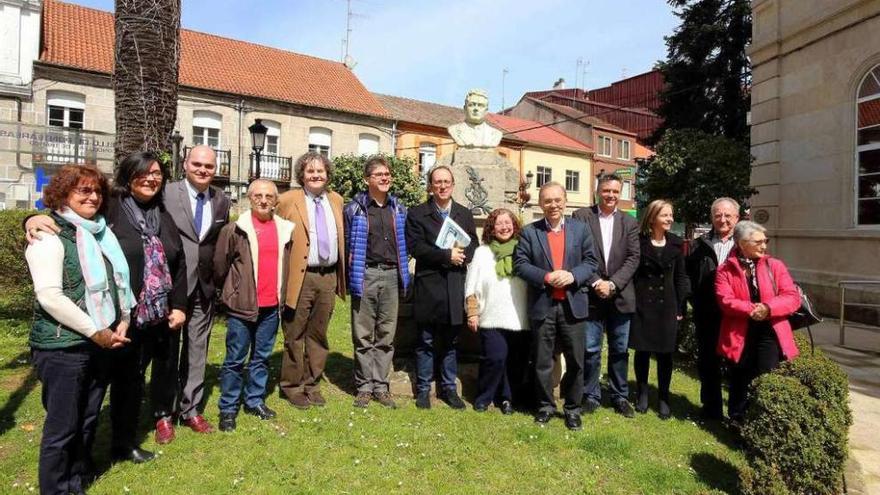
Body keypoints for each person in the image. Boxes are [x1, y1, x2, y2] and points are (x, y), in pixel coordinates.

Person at [26, 152, 187, 462]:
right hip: (118, 317)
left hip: (156, 316)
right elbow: (65, 218)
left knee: (132, 384)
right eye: (143, 172)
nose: (151, 178)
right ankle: (81, 454)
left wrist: (178, 305)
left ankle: (124, 443)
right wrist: (31, 218)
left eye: (157, 173)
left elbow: (177, 263)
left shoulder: (163, 214)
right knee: (107, 385)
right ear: (128, 176)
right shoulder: (109, 207)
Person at [26, 165, 133, 494]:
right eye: (83, 191)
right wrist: (95, 331)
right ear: (63, 194)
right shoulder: (48, 234)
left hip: (100, 340)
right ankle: (56, 487)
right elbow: (49, 296)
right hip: (64, 346)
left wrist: (123, 319)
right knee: (62, 426)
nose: (93, 196)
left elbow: (118, 281)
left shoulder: (100, 232)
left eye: (97, 191)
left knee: (87, 416)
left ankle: (77, 478)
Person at [514, 182, 597, 431]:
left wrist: (573, 276)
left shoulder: (580, 230)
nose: (553, 205)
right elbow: (521, 264)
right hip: (544, 305)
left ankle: (572, 408)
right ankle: (545, 406)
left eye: (557, 200)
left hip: (573, 305)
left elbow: (591, 261)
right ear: (540, 204)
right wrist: (546, 277)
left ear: (565, 201)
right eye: (548, 201)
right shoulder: (530, 232)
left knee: (576, 361)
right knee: (542, 360)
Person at [213, 180, 294, 432]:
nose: (263, 200)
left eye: (269, 196)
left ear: (275, 200)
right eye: (257, 195)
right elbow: (219, 266)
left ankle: (254, 400)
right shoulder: (235, 229)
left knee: (261, 358)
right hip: (242, 306)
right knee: (235, 360)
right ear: (249, 198)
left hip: (271, 307)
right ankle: (228, 408)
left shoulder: (284, 230)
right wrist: (232, 293)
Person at [162, 145, 230, 435]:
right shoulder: (166, 193)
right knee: (166, 351)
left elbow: (218, 241)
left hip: (204, 286)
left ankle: (191, 409)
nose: (203, 170)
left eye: (209, 166)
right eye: (197, 164)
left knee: (197, 350)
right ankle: (163, 412)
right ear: (185, 163)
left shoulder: (221, 200)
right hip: (170, 286)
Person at [276, 152, 346, 410]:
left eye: (320, 171)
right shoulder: (287, 200)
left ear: (327, 174)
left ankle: (312, 383)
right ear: (302, 175)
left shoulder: (336, 200)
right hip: (300, 276)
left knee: (318, 333)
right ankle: (292, 387)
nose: (316, 176)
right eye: (310, 171)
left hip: (328, 276)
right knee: (294, 332)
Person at [406, 165, 478, 410]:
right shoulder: (417, 213)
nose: (442, 186)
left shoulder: (464, 214)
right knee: (425, 341)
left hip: (454, 285)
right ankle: (424, 390)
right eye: (437, 182)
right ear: (430, 185)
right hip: (429, 284)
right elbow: (416, 247)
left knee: (450, 342)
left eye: (446, 181)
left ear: (453, 185)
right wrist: (447, 256)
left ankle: (449, 389)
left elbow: (474, 245)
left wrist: (464, 256)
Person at [715, 220, 801, 423]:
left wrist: (768, 308)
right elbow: (725, 300)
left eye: (766, 241)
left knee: (766, 376)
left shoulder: (775, 265)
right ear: (742, 244)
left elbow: (792, 296)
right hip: (740, 332)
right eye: (758, 242)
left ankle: (762, 421)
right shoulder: (725, 270)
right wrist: (752, 310)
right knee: (739, 377)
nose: (764, 246)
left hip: (770, 332)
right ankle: (737, 419)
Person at [343, 156, 410, 409]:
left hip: (392, 276)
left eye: (387, 174)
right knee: (362, 335)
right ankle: (363, 386)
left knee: (385, 334)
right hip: (366, 274)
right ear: (366, 180)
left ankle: (381, 386)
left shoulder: (399, 209)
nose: (385, 178)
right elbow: (347, 244)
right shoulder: (354, 209)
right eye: (379, 174)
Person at [573, 174, 640, 418]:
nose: (610, 195)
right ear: (597, 191)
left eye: (614, 191)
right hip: (591, 296)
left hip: (620, 295)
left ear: (619, 193)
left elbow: (634, 258)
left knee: (619, 349)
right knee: (591, 349)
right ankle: (591, 395)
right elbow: (577, 253)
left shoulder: (630, 222)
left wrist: (612, 284)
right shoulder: (581, 217)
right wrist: (595, 282)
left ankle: (619, 395)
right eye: (606, 191)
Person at [628, 200, 690, 419]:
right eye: (665, 215)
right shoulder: (639, 242)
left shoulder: (676, 243)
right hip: (643, 306)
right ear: (652, 217)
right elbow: (632, 274)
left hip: (668, 306)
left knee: (665, 355)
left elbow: (682, 277)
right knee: (642, 352)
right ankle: (642, 394)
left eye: (671, 215)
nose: (670, 219)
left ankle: (664, 397)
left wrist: (681, 305)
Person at [464, 208, 530, 414]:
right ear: (491, 228)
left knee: (515, 361)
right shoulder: (482, 252)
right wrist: (472, 312)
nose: (504, 227)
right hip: (491, 317)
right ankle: (484, 396)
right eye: (499, 223)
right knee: (495, 358)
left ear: (515, 226)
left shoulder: (523, 250)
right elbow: (471, 285)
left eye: (507, 223)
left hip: (520, 317)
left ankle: (508, 399)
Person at [686, 197, 740, 420]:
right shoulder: (699, 245)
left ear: (737, 218)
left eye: (728, 215)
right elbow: (688, 277)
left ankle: (737, 413)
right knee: (708, 363)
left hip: (738, 316)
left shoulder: (746, 243)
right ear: (711, 218)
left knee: (737, 364)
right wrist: (694, 302)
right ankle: (711, 410)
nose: (723, 219)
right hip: (707, 314)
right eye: (718, 215)